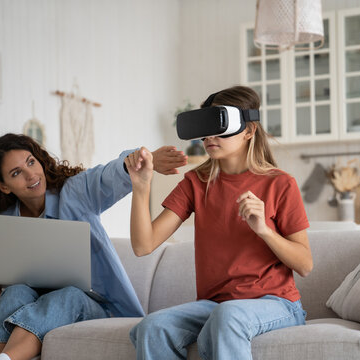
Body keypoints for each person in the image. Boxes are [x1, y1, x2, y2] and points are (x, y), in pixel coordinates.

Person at [125, 86, 313, 360]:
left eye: (220, 125)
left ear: (249, 130)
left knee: (228, 316)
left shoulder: (280, 184)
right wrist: (141, 187)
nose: (210, 136)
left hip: (276, 303)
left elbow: (305, 265)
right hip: (215, 305)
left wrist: (264, 230)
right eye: (206, 126)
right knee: (152, 327)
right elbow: (143, 246)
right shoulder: (196, 183)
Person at [0, 133, 187, 360]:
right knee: (15, 292)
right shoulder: (7, 222)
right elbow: (16, 282)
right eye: (16, 173)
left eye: (31, 162)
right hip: (42, 306)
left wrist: (141, 162)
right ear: (3, 187)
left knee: (69, 295)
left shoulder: (75, 193)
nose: (30, 175)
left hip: (100, 307)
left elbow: (107, 176)